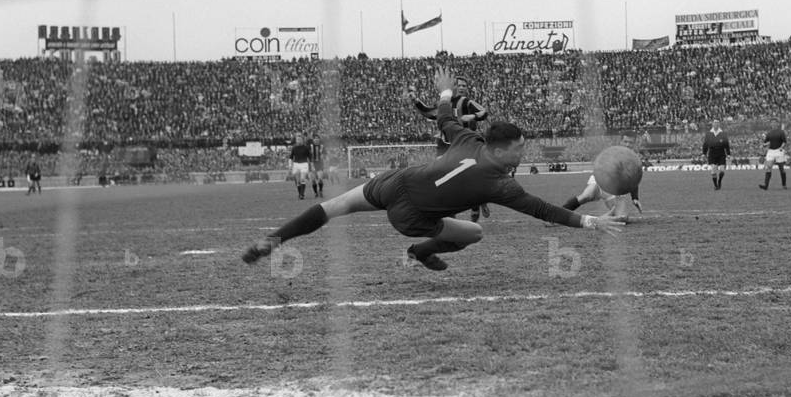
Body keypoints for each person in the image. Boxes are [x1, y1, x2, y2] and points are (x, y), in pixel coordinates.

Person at [244, 67, 623, 272]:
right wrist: (590, 223)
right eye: (519, 149)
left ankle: (274, 240)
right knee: (473, 232)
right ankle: (420, 251)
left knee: (330, 208)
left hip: (395, 182)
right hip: (411, 215)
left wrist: (444, 90)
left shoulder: (466, 138)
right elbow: (544, 210)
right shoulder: (500, 185)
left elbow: (444, 116)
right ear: (500, 149)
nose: (523, 154)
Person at [409, 74, 491, 222]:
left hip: (465, 145)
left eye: (464, 86)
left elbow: (484, 112)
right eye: (459, 85)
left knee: (468, 180)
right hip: (445, 144)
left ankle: (477, 205)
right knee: (443, 176)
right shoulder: (444, 103)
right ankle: (451, 215)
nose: (461, 88)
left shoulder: (466, 102)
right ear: (452, 87)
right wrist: (415, 100)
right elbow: (429, 112)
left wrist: (472, 117)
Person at [561, 175, 641, 224]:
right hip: (599, 181)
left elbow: (633, 179)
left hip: (614, 190)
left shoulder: (626, 163)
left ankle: (595, 221)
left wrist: (635, 198)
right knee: (586, 196)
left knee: (622, 218)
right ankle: (557, 215)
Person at [758, 124, 788, 190]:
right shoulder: (769, 133)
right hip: (771, 151)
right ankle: (766, 186)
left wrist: (781, 147)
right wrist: (764, 145)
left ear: (777, 124)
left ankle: (784, 184)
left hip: (779, 151)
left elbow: (784, 142)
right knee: (768, 167)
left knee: (781, 168)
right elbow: (768, 142)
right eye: (772, 123)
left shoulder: (781, 132)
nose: (773, 124)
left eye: (775, 122)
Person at [702, 122, 731, 190]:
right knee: (713, 171)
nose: (716, 125)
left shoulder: (723, 133)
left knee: (722, 171)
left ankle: (719, 181)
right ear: (712, 125)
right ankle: (716, 185)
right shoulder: (709, 134)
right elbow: (705, 144)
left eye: (717, 124)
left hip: (721, 153)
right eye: (714, 124)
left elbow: (727, 144)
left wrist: (728, 154)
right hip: (712, 153)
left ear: (719, 125)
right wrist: (704, 153)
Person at [288, 133, 313, 200]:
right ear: (296, 140)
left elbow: (310, 157)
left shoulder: (306, 147)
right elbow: (290, 157)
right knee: (298, 181)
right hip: (296, 164)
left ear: (302, 140)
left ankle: (302, 194)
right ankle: (300, 194)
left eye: (300, 139)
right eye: (297, 139)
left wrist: (312, 165)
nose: (298, 140)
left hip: (304, 164)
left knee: (302, 179)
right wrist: (290, 166)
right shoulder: (294, 148)